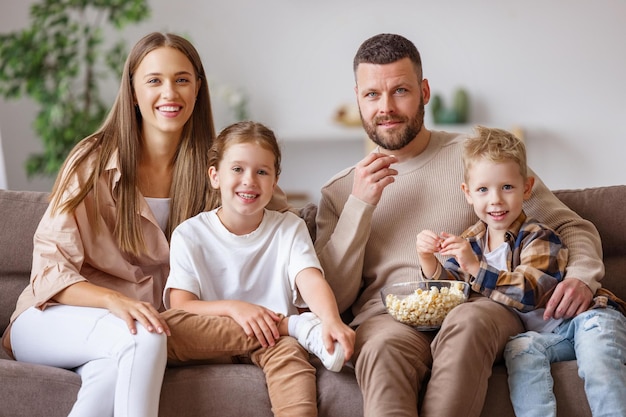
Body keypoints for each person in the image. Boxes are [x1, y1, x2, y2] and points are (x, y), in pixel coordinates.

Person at [0, 32, 292, 417]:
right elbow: (51, 273)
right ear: (133, 92)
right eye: (154, 80)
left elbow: (277, 224)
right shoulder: (92, 161)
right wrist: (114, 300)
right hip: (52, 320)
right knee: (147, 335)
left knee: (108, 380)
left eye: (182, 79)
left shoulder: (217, 169)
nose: (170, 92)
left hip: (128, 336)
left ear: (198, 89)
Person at [314, 33, 606, 417]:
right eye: (372, 95)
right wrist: (359, 205)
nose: (386, 107)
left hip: (478, 303)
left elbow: (570, 227)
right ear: (357, 98)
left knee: (468, 322)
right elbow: (329, 297)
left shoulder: (477, 159)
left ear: (424, 91)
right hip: (389, 319)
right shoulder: (339, 191)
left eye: (400, 90)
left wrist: (582, 275)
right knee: (382, 348)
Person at [162, 121, 355, 417]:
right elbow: (182, 305)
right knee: (161, 330)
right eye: (237, 169)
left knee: (290, 353)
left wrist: (330, 320)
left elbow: (310, 279)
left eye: (262, 172)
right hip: (211, 340)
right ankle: (293, 327)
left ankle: (288, 332)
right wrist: (237, 309)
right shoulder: (189, 234)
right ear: (215, 176)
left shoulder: (289, 228)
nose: (249, 180)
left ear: (275, 180)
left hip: (273, 345)